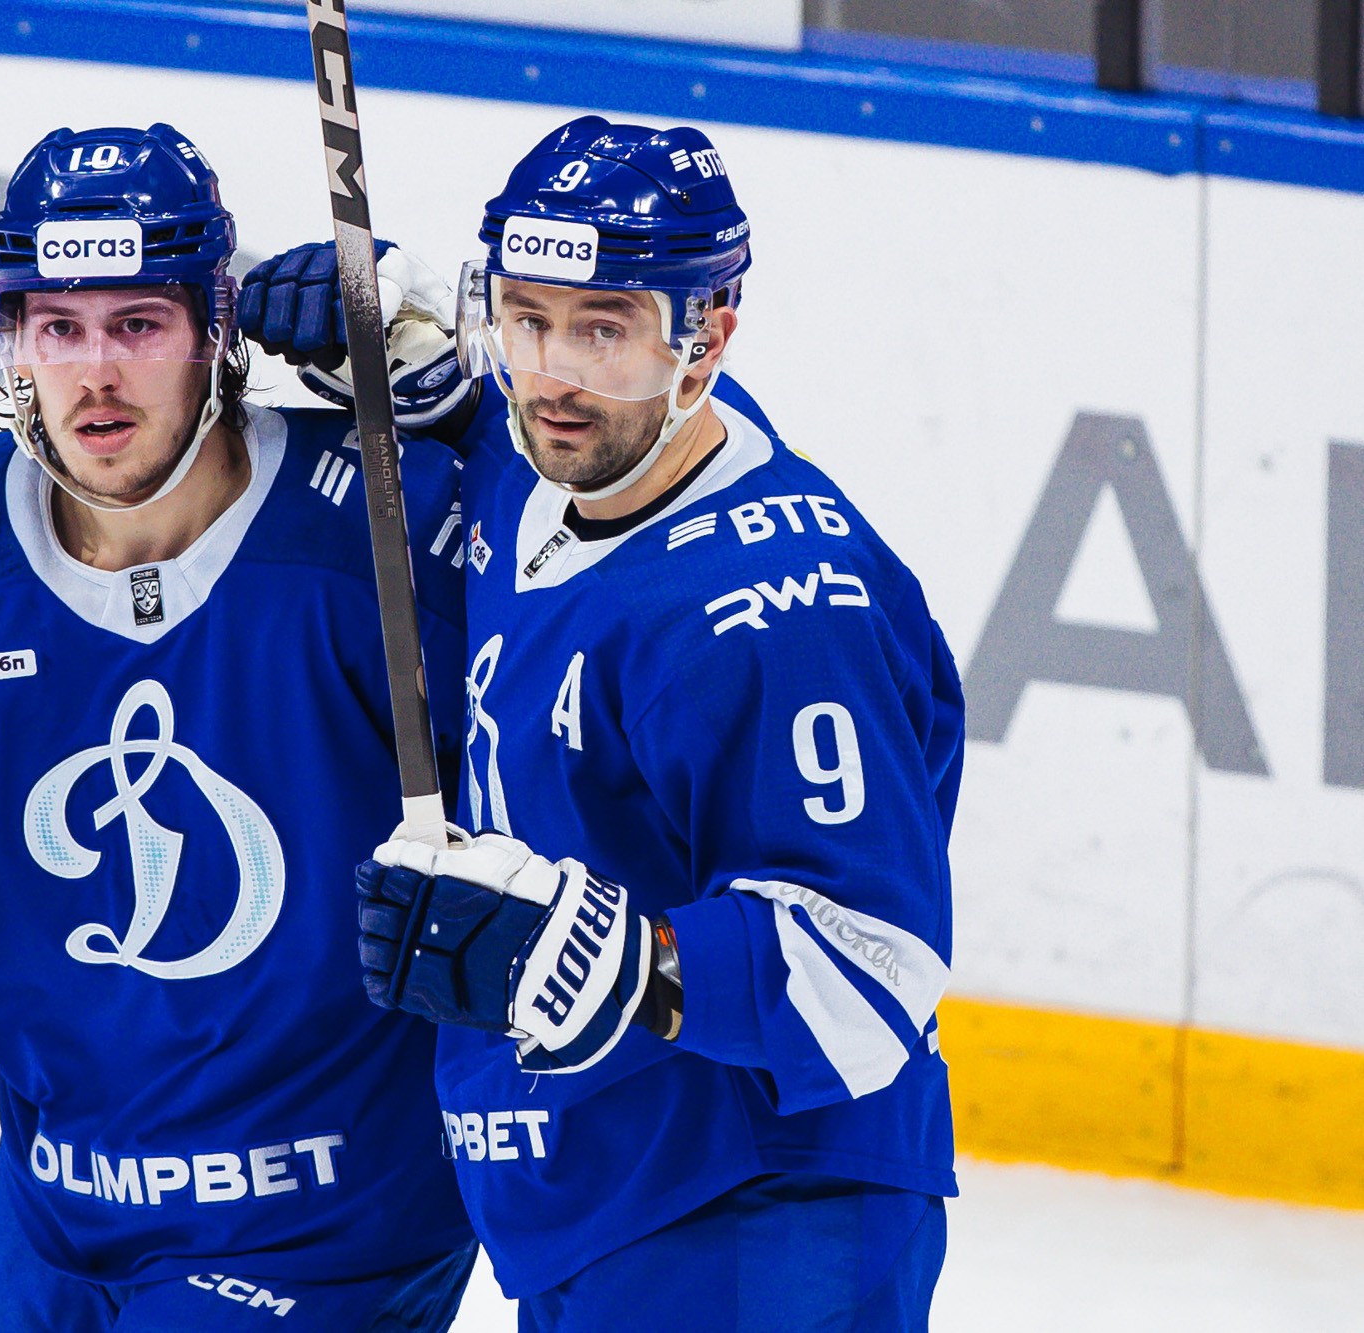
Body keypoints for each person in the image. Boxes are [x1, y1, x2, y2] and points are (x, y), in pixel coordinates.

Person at [0, 122, 477, 1332]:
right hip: (54, 1215)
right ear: (9, 340)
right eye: (57, 327)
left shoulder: (382, 535)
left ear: (216, 332)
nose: (94, 372)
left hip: (331, 1230)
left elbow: (595, 571)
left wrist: (452, 399)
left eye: (138, 325)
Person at [240, 116, 962, 1329]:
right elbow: (487, 420)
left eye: (603, 330)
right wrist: (416, 359)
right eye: (525, 320)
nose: (554, 377)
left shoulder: (777, 616)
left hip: (763, 1209)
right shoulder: (550, 459)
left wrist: (626, 964)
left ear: (706, 340)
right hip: (596, 1192)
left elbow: (870, 966)